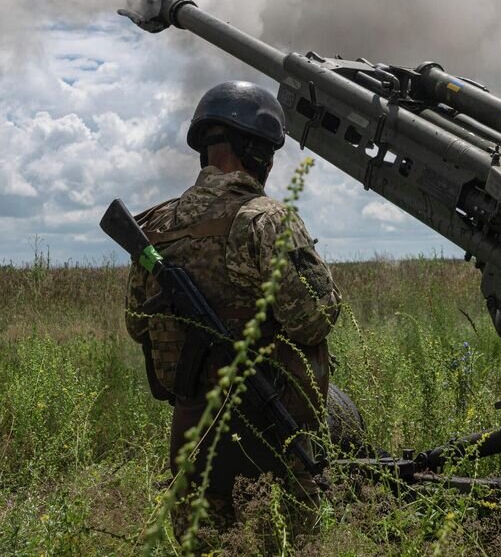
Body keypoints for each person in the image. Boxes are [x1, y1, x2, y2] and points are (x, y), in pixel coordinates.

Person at [124, 80, 342, 544]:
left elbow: (137, 325)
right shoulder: (265, 219)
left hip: (190, 441)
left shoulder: (155, 228)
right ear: (256, 151)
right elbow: (313, 320)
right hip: (269, 440)